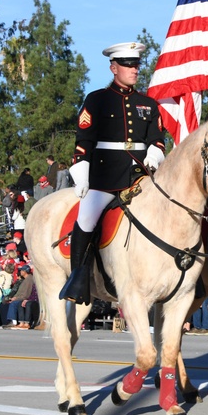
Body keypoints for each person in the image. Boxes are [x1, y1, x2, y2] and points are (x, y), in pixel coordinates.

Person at [60, 42, 166, 305]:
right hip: (105, 175)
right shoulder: (96, 99)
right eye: (128, 65)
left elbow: (158, 139)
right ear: (113, 67)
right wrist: (82, 169)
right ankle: (79, 278)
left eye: (136, 65)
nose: (134, 69)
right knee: (87, 217)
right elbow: (84, 139)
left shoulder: (148, 104)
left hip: (141, 175)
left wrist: (154, 154)